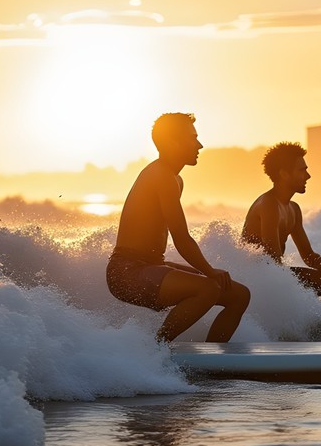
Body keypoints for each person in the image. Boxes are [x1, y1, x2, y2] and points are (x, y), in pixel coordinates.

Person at [106, 112, 251, 342]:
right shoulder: (160, 175)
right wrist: (210, 271)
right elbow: (181, 239)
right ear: (173, 143)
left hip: (150, 267)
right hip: (126, 273)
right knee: (208, 289)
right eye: (192, 138)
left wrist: (209, 273)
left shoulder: (174, 178)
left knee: (239, 295)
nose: (200, 145)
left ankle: (213, 360)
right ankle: (157, 351)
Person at [242, 142, 321, 316]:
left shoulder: (293, 208)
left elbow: (308, 256)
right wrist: (293, 289)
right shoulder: (268, 204)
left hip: (276, 275)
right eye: (302, 170)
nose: (308, 176)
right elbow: (272, 260)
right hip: (259, 282)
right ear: (284, 174)